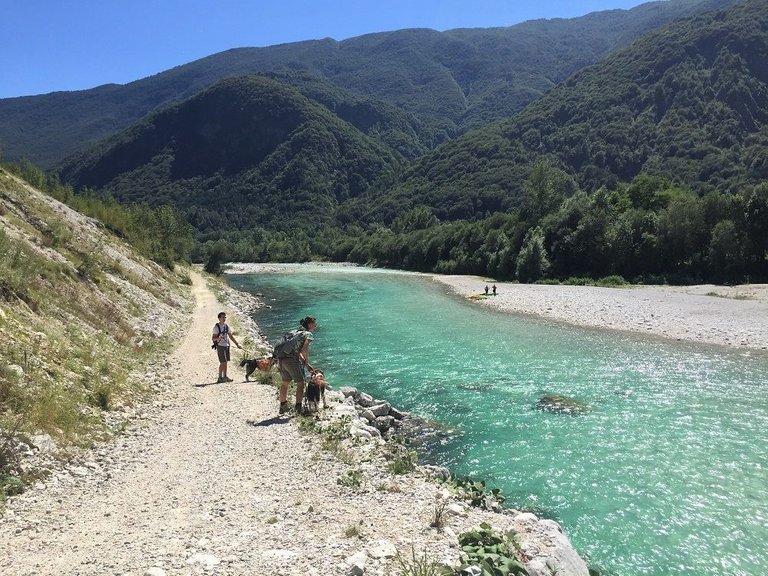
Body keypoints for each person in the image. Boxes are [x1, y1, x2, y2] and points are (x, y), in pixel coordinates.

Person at [277, 316, 317, 415]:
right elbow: (304, 349)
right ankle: (298, 409)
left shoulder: (296, 332)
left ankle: (283, 406)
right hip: (291, 360)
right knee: (300, 383)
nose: (316, 325)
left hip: (281, 358)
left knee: (285, 382)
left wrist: (306, 364)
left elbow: (296, 350)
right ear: (310, 324)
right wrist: (306, 360)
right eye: (314, 323)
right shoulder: (308, 334)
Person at [212, 311, 241, 383]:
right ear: (219, 318)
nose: (224, 319)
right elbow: (213, 338)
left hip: (227, 345)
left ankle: (225, 376)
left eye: (225, 317)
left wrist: (237, 344)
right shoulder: (216, 327)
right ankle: (219, 377)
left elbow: (230, 336)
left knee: (225, 362)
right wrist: (218, 338)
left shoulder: (226, 326)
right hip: (220, 346)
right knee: (223, 362)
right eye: (222, 317)